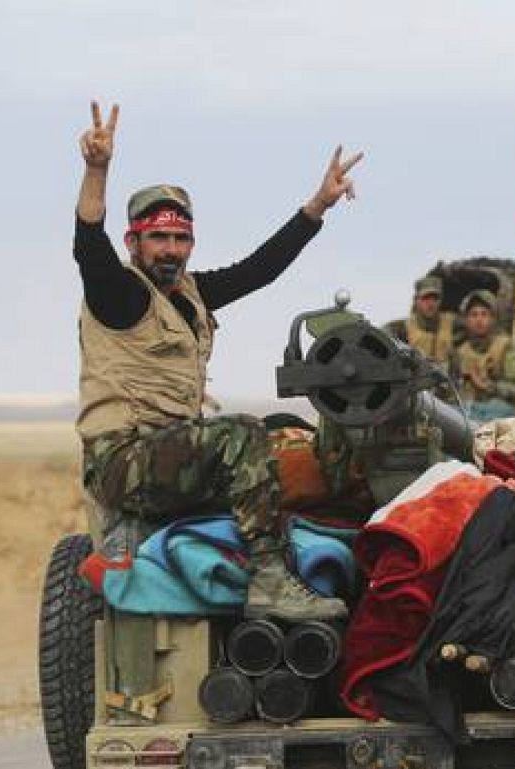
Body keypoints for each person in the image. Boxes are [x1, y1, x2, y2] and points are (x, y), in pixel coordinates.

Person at [73, 101, 358, 621]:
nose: (171, 250)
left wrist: (317, 205)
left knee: (286, 430)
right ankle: (269, 580)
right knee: (238, 435)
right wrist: (97, 171)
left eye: (181, 239)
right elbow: (88, 245)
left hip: (173, 452)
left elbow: (259, 270)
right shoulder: (120, 294)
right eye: (158, 237)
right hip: (123, 459)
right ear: (134, 242)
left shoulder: (191, 293)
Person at [450, 289, 515, 420]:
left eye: (484, 314)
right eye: (474, 315)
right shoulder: (460, 352)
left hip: (499, 407)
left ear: (493, 319)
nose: (479, 320)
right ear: (466, 320)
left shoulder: (506, 347)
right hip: (469, 408)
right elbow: (453, 388)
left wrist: (488, 386)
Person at [383, 276, 455, 366]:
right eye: (425, 299)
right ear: (416, 300)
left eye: (435, 299)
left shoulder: (452, 323)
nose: (430, 304)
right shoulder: (402, 327)